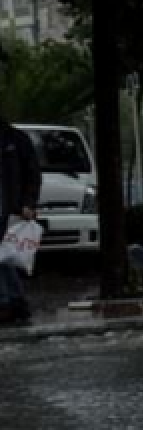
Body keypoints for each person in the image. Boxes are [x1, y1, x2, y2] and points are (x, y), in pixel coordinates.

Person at [0, 52, 41, 325]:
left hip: (10, 211)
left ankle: (11, 301)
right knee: (3, 258)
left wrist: (28, 203)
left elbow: (32, 174)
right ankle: (12, 301)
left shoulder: (16, 141)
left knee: (6, 257)